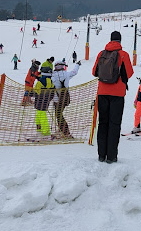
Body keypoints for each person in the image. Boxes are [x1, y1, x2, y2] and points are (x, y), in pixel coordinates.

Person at [92, 31, 134, 163]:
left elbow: (94, 72)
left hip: (102, 93)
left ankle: (101, 155)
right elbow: (130, 73)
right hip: (117, 95)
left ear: (110, 40)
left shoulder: (101, 53)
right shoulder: (124, 55)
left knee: (103, 123)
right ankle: (111, 156)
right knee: (114, 124)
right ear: (120, 41)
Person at [51, 59, 82, 138]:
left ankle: (65, 132)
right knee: (59, 114)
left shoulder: (53, 75)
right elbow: (74, 72)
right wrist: (77, 65)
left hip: (56, 99)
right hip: (65, 98)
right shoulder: (66, 74)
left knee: (58, 115)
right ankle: (62, 129)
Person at [33, 64, 55, 137]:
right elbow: (52, 92)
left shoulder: (40, 82)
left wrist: (31, 94)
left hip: (39, 101)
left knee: (40, 116)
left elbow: (36, 91)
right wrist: (48, 99)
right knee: (40, 115)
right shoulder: (51, 82)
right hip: (46, 102)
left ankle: (45, 131)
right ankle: (41, 131)